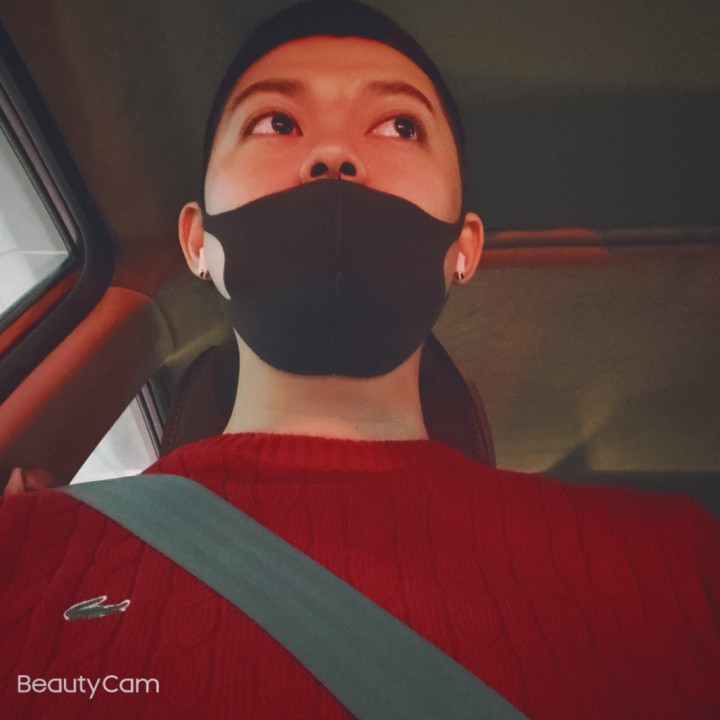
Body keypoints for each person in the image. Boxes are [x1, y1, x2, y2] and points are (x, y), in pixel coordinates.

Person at [1, 2, 718, 718]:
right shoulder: (24, 551)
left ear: (464, 249)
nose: (334, 155)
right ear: (196, 242)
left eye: (400, 126)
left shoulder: (677, 565)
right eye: (276, 121)